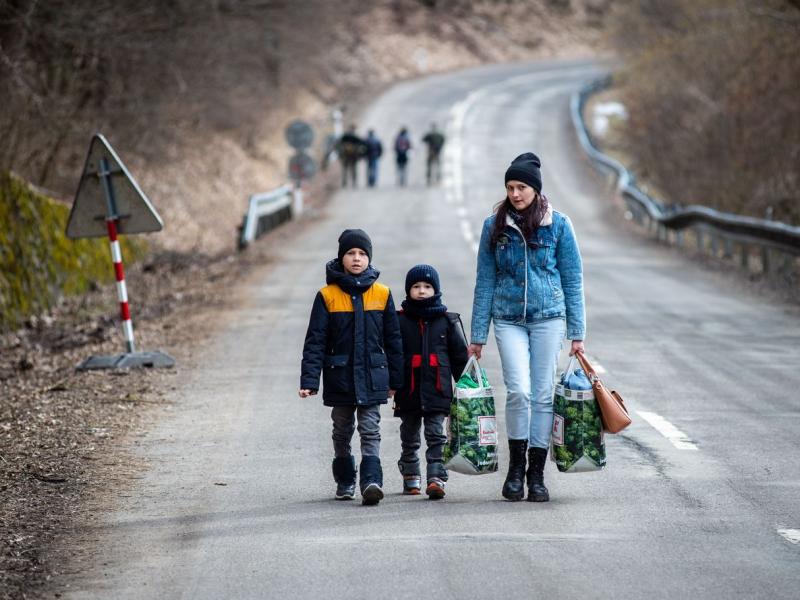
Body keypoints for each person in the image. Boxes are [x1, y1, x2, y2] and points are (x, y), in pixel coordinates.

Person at [468, 152, 586, 503]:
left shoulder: (559, 225)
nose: (515, 193)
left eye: (521, 187)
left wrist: (577, 333)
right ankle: (515, 470)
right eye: (510, 187)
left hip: (549, 317)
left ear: (535, 189)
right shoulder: (494, 226)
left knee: (542, 393)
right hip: (508, 319)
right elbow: (484, 280)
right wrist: (477, 335)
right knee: (519, 391)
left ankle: (537, 474)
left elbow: (572, 278)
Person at [300, 229, 403, 505]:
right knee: (342, 429)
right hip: (340, 378)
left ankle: (371, 481)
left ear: (369, 258)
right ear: (341, 257)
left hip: (372, 377)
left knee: (370, 428)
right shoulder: (327, 296)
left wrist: (396, 380)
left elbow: (393, 341)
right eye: (350, 253)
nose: (356, 259)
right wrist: (310, 380)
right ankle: (345, 480)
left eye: (362, 254)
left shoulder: (382, 294)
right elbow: (315, 341)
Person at [393, 264, 469, 500]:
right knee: (409, 435)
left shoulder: (447, 321)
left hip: (438, 390)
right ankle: (410, 475)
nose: (422, 291)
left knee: (437, 435)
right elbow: (392, 355)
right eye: (416, 287)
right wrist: (391, 383)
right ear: (408, 291)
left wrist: (466, 386)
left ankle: (436, 477)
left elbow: (459, 358)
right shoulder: (399, 320)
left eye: (427, 286)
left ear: (436, 290)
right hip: (409, 390)